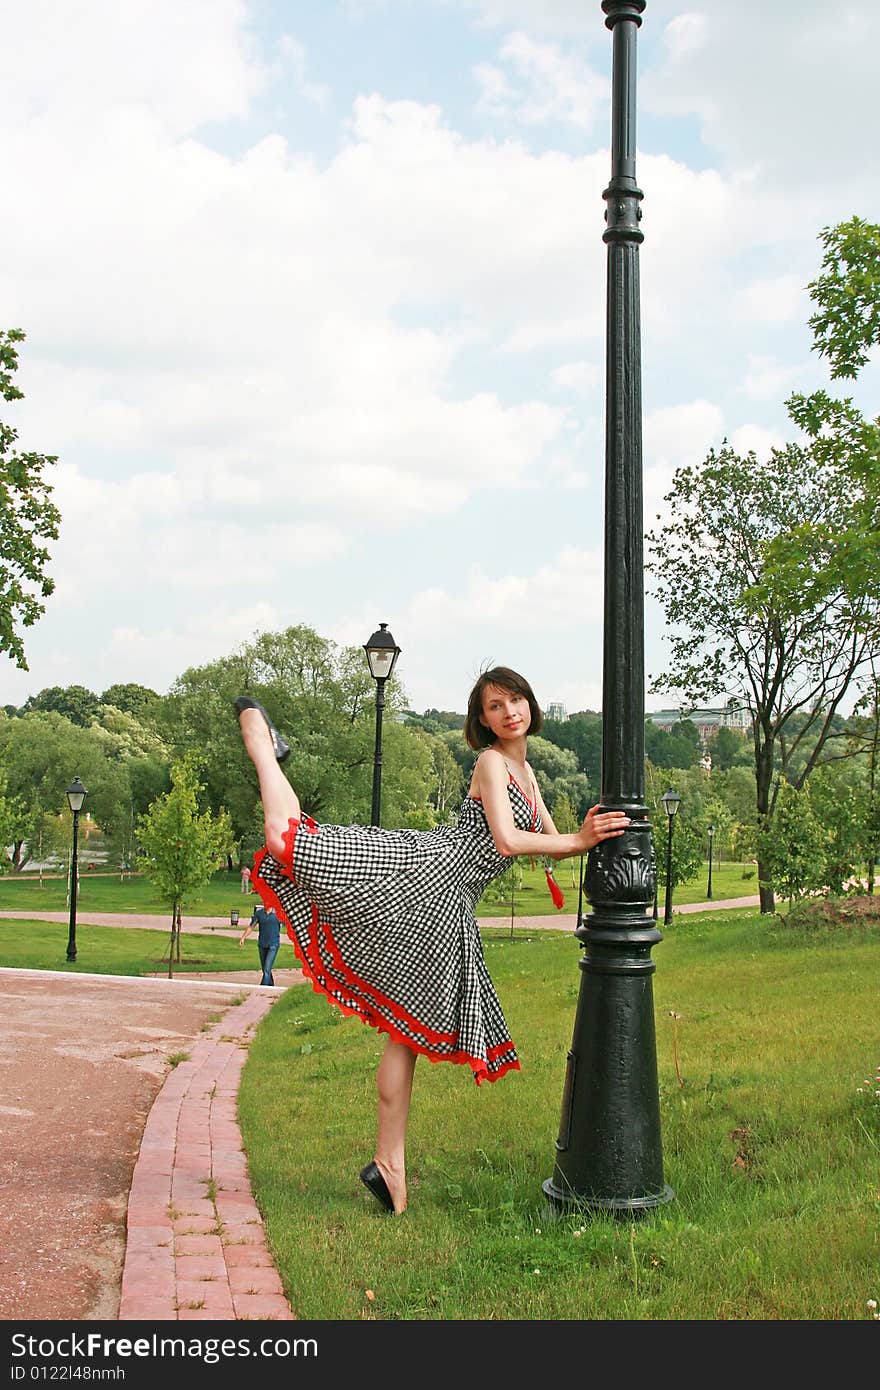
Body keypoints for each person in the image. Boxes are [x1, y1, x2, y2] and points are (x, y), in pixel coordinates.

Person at [235, 668, 629, 1216]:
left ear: (531, 705)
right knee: (287, 841)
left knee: (404, 1031)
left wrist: (582, 833)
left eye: (515, 699)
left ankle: (389, 1165)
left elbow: (544, 837)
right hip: (426, 872)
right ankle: (261, 743)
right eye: (495, 706)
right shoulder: (491, 762)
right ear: (482, 720)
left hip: (449, 902)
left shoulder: (528, 771)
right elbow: (509, 841)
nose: (509, 711)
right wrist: (577, 840)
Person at [238, 901, 282, 986]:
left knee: (266, 969)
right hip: (262, 944)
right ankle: (271, 986)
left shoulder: (278, 914)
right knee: (265, 969)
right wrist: (243, 937)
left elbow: (288, 923)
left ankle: (262, 988)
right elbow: (251, 927)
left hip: (273, 944)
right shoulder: (259, 914)